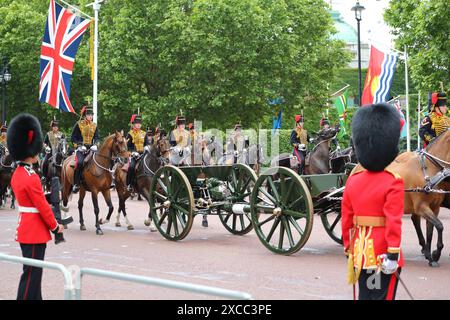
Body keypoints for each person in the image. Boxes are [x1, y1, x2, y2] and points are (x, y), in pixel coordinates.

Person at [342, 103, 404, 300]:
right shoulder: (393, 181)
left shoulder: (354, 180)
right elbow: (393, 221)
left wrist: (348, 249)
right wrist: (393, 254)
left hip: (360, 252)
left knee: (366, 296)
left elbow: (347, 219)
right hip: (382, 254)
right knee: (380, 297)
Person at [7, 113, 64, 300]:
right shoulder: (30, 177)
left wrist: (48, 196)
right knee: (31, 276)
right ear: (32, 151)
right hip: (34, 231)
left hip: (28, 228)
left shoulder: (19, 173)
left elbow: (35, 199)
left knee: (34, 276)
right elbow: (41, 206)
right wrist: (56, 226)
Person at [70, 105, 99, 193]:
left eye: (91, 115)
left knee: (101, 161)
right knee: (79, 163)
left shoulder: (94, 125)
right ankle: (76, 183)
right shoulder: (79, 124)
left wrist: (95, 144)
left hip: (91, 149)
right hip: (81, 149)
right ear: (85, 115)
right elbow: (73, 137)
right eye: (89, 115)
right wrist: (79, 145)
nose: (91, 116)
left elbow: (97, 137)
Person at [126, 114, 149, 192]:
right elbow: (128, 146)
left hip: (143, 154)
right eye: (137, 123)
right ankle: (129, 184)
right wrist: (133, 152)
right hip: (134, 155)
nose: (139, 124)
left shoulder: (144, 133)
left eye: (140, 123)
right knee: (132, 167)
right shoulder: (130, 134)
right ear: (133, 124)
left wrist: (147, 148)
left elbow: (147, 144)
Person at [42, 118, 65, 183]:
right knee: (45, 162)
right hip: (50, 151)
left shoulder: (61, 134)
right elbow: (44, 143)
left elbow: (64, 143)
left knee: (66, 161)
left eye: (56, 127)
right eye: (54, 127)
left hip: (59, 152)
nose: (55, 128)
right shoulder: (48, 134)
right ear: (52, 127)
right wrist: (46, 147)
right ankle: (44, 176)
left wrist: (64, 149)